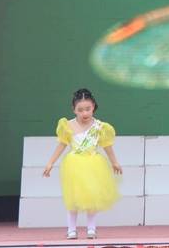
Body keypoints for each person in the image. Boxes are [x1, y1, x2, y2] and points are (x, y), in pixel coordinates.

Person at [42, 88, 122, 240]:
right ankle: (71, 229)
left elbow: (107, 146)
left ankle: (91, 229)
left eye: (88, 109)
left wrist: (114, 162)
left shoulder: (99, 127)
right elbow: (61, 145)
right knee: (73, 198)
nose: (84, 113)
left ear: (93, 107)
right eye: (80, 110)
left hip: (93, 163)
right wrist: (50, 163)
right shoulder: (68, 125)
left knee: (91, 198)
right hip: (74, 165)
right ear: (74, 110)